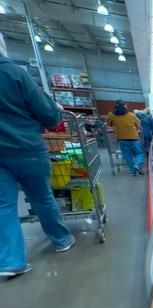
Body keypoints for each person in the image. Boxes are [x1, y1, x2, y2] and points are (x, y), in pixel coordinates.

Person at [0, 32, 76, 277]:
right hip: (27, 148)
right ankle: (61, 240)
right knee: (42, 198)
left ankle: (11, 261)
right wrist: (56, 110)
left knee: (3, 205)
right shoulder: (14, 73)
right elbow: (48, 115)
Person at [106, 100, 144, 176]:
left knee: (127, 156)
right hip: (133, 138)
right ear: (125, 106)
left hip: (121, 139)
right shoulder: (131, 115)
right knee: (139, 153)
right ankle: (138, 164)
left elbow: (108, 124)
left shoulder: (111, 115)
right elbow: (138, 123)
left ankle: (132, 171)